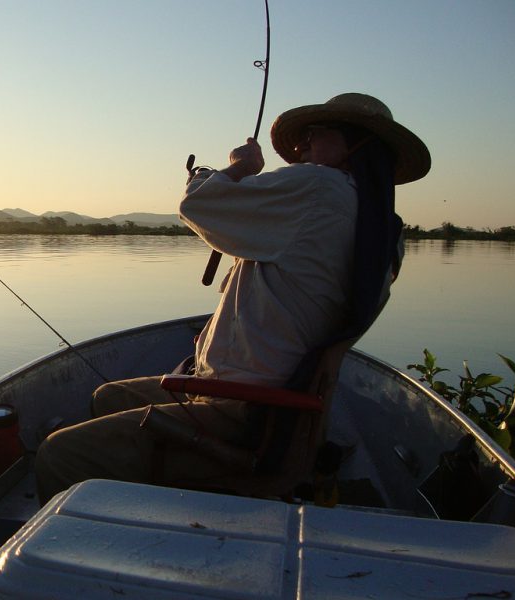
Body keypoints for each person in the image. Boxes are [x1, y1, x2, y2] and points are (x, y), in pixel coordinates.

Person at [35, 93, 431, 503]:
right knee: (109, 397)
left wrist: (239, 168)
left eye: (316, 133)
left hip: (245, 413)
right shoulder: (385, 232)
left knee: (58, 455)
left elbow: (199, 204)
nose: (302, 145)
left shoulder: (318, 187)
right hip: (285, 413)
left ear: (357, 142)